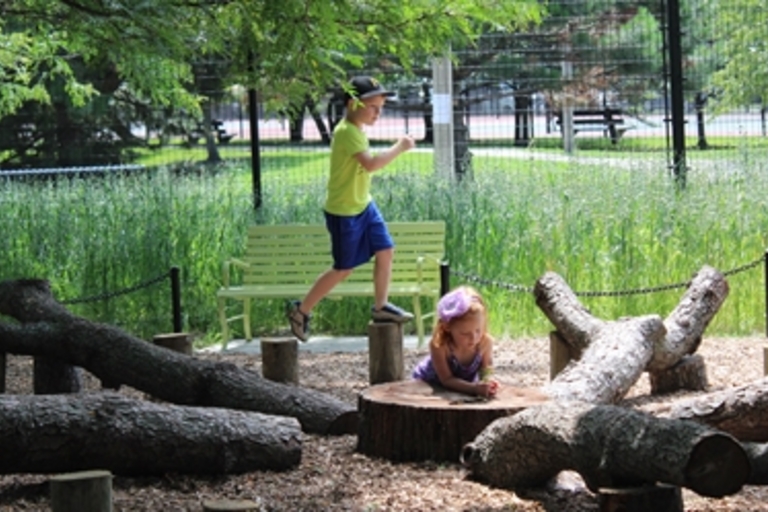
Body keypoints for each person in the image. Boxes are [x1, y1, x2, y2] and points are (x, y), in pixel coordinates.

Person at [287, 75, 417, 342]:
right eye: (372, 107)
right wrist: (400, 147)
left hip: (364, 205)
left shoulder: (356, 131)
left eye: (381, 107)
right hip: (344, 212)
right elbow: (370, 164)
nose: (377, 113)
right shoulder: (346, 132)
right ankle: (301, 311)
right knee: (343, 269)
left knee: (386, 250)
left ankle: (381, 307)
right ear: (351, 103)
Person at [412, 286, 500, 398]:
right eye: (465, 333)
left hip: (464, 387)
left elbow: (486, 368)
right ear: (447, 327)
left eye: (478, 330)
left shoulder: (485, 343)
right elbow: (446, 379)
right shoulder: (440, 346)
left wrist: (488, 382)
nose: (473, 338)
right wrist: (474, 388)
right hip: (430, 384)